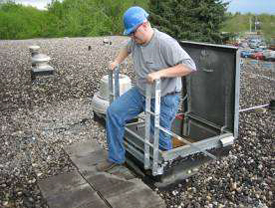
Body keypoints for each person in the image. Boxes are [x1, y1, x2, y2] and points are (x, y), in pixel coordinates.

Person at [96, 6, 196, 172]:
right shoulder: (135, 40)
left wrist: (161, 73)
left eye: (133, 33)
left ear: (145, 25)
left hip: (165, 96)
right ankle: (116, 158)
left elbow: (190, 66)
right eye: (130, 34)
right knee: (114, 112)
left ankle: (165, 168)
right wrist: (116, 62)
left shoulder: (165, 43)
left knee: (158, 132)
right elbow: (126, 48)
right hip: (142, 91)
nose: (132, 37)